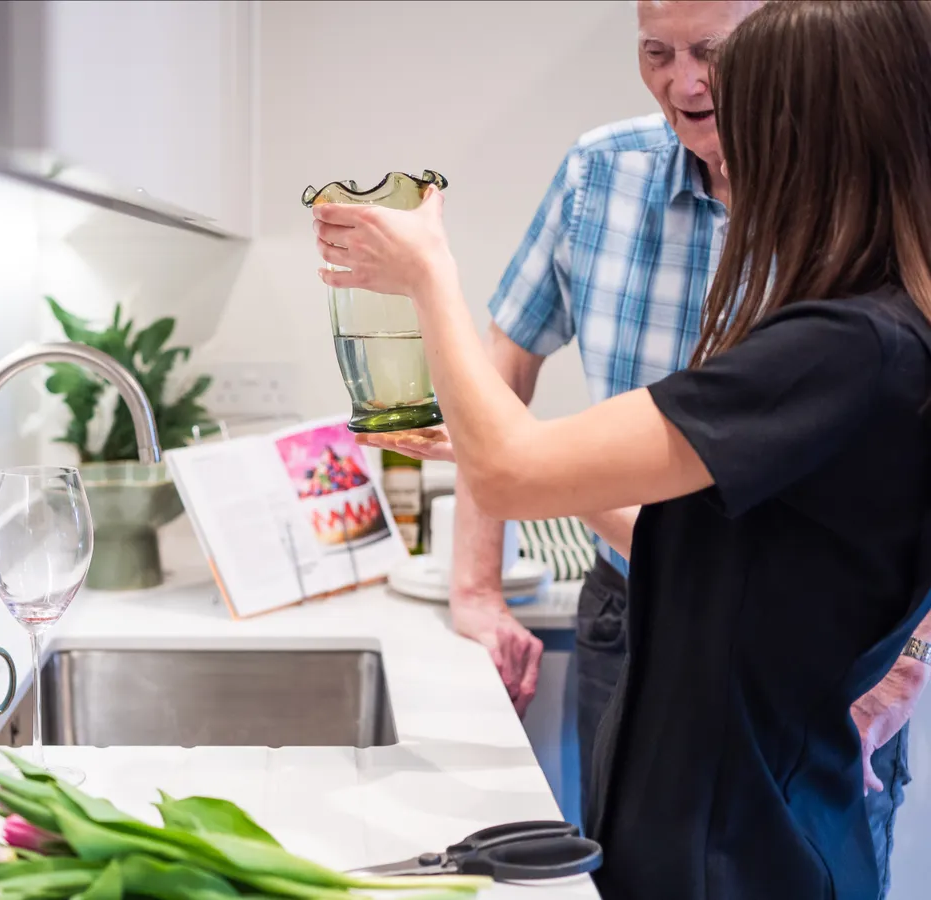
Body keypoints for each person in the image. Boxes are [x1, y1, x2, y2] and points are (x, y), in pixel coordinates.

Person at [311, 1, 931, 896]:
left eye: (742, 117)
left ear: (816, 141)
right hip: (726, 827)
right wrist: (496, 444)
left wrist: (428, 275)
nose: (713, 142)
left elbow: (512, 475)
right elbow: (711, 555)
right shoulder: (871, 336)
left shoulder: (839, 349)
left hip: (744, 849)